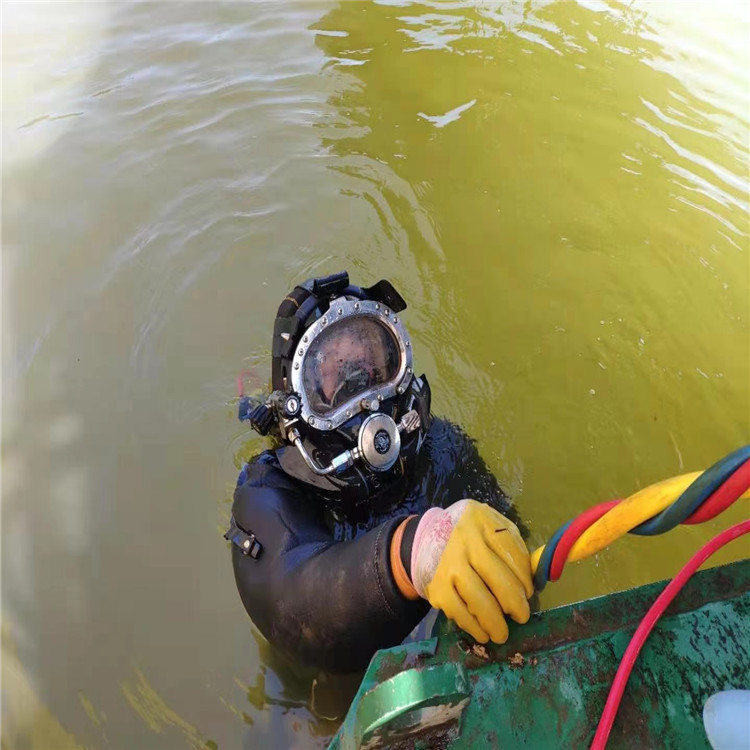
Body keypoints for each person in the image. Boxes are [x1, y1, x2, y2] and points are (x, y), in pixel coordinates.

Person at [225, 271, 533, 673]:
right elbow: (293, 610)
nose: (366, 398)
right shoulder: (266, 491)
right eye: (335, 381)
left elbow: (510, 548)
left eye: (373, 366)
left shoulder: (434, 444)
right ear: (296, 404)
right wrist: (409, 552)